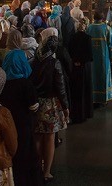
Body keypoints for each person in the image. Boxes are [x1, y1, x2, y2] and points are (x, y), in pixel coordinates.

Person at [0, 50, 43, 185]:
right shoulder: (25, 83)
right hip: (23, 125)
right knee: (25, 153)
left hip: (6, 126)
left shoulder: (2, 83)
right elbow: (33, 106)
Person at [30, 35, 68, 181]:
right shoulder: (54, 63)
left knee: (37, 137)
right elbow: (60, 87)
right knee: (50, 138)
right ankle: (46, 172)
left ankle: (36, 168)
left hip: (36, 103)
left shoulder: (34, 61)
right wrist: (65, 106)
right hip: (50, 104)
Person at [86, 11, 112, 106]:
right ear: (103, 18)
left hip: (91, 58)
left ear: (94, 17)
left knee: (93, 76)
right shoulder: (106, 28)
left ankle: (93, 98)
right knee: (103, 75)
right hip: (103, 58)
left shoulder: (89, 28)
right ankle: (103, 99)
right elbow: (111, 44)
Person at [67, 18, 93, 123]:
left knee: (76, 91)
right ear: (85, 26)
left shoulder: (72, 37)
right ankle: (85, 113)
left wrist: (75, 61)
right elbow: (90, 54)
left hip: (75, 67)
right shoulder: (88, 38)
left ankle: (76, 114)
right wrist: (83, 61)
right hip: (85, 67)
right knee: (85, 90)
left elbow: (69, 51)